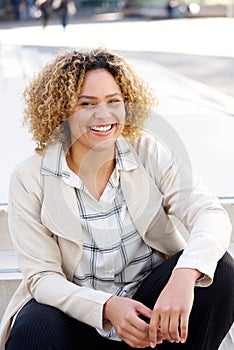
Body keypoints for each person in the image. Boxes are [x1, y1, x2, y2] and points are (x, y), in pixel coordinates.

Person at [0, 47, 233, 350]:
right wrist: (107, 307)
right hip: (80, 315)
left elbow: (209, 212)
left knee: (221, 271)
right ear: (61, 111)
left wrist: (184, 276)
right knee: (34, 327)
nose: (104, 115)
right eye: (87, 104)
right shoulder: (30, 177)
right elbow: (43, 277)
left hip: (151, 313)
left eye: (114, 102)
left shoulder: (147, 150)